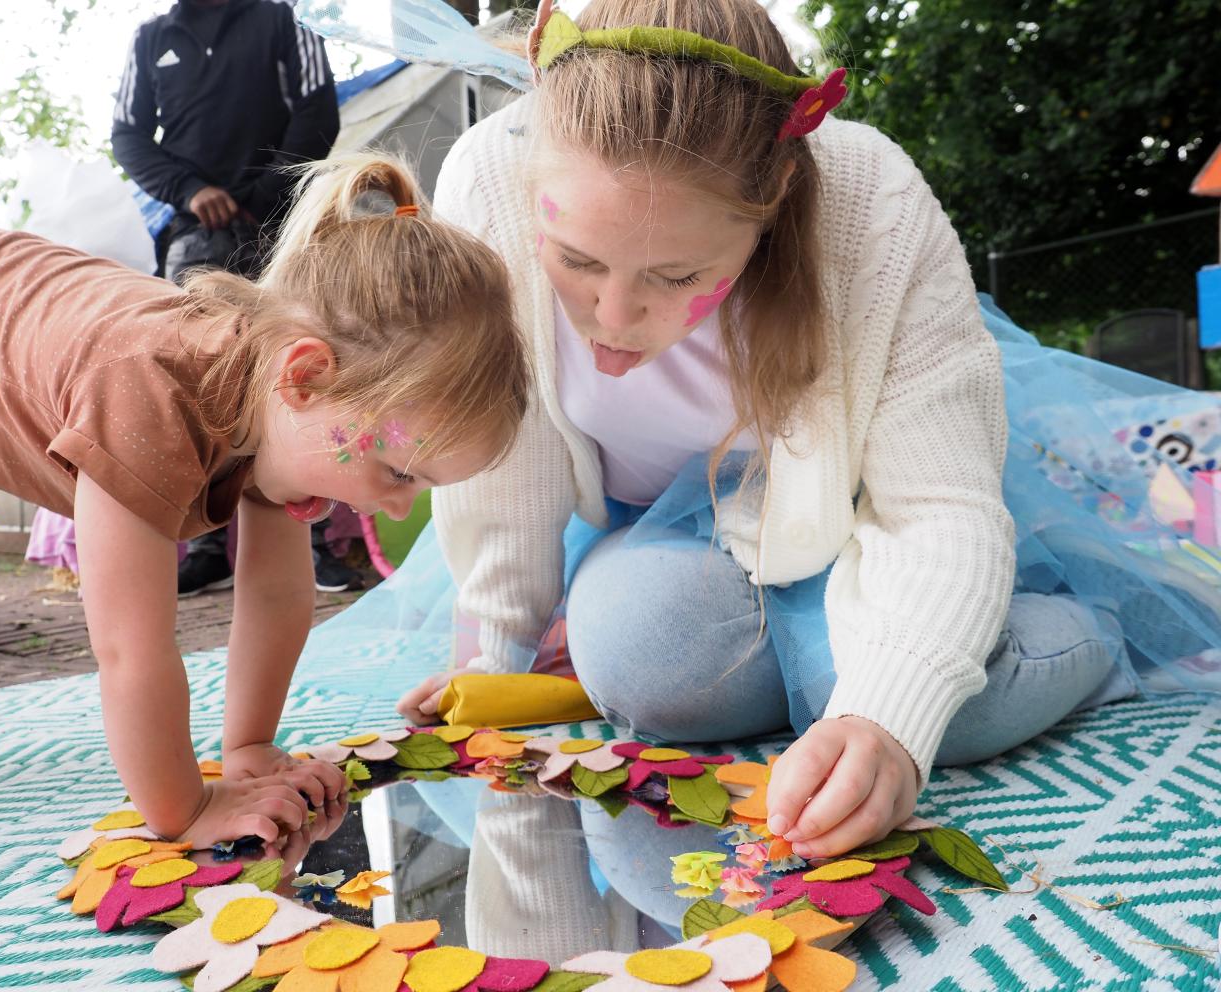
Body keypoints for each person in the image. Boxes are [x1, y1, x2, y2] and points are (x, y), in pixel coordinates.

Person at [336, 0, 1221, 862]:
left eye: (677, 274)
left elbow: (937, 505)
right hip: (663, 536)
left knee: (943, 709)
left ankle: (1094, 626)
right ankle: (811, 669)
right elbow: (509, 455)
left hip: (863, 516)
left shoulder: (873, 203)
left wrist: (881, 718)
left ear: (773, 202)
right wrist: (499, 658)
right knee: (643, 654)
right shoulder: (490, 178)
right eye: (576, 261)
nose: (613, 316)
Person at [0, 153, 529, 865]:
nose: (393, 505)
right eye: (397, 470)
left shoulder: (287, 413)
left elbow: (278, 596)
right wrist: (186, 807)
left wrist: (248, 748)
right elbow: (131, 649)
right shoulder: (150, 394)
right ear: (305, 377)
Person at [112, 0, 353, 596]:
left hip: (283, 229)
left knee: (304, 372)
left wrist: (259, 192)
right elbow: (127, 137)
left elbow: (318, 111)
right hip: (194, 238)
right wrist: (193, 191)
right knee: (191, 383)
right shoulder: (150, 39)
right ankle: (206, 547)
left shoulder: (282, 20)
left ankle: (316, 542)